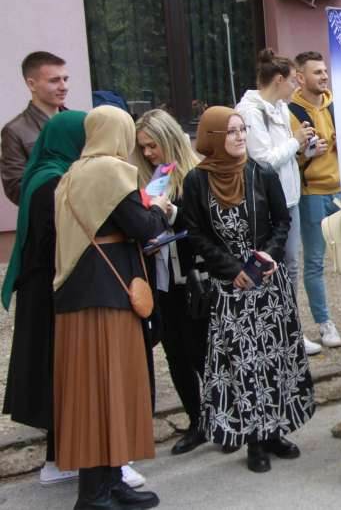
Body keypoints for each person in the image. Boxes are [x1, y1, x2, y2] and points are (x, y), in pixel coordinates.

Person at [182, 107, 315, 473]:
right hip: (231, 288)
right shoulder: (196, 181)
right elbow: (195, 233)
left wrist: (266, 257)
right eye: (231, 132)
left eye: (242, 130)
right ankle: (254, 441)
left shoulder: (261, 172)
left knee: (274, 361)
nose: (240, 137)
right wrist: (231, 269)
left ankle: (274, 432)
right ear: (212, 138)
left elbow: (281, 220)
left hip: (269, 284)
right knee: (243, 366)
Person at [53, 106, 170, 508]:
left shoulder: (71, 174)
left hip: (82, 295)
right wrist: (161, 208)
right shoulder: (110, 171)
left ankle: (107, 481)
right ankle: (96, 493)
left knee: (96, 392)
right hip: (108, 298)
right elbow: (143, 227)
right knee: (110, 388)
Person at [2, 112, 86, 487]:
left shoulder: (47, 174)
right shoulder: (52, 182)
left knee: (58, 373)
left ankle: (59, 456)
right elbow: (60, 243)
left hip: (44, 290)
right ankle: (63, 458)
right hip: (51, 294)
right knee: (60, 372)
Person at [237, 49, 324, 358]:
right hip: (268, 207)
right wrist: (295, 141)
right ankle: (272, 332)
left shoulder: (278, 108)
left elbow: (286, 157)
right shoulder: (250, 111)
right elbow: (263, 162)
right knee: (270, 268)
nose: (295, 88)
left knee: (290, 267)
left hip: (289, 199)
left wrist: (308, 148)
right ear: (278, 80)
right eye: (292, 82)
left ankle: (290, 332)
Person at [132, 109, 207, 456]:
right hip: (161, 281)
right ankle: (198, 421)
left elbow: (206, 229)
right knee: (175, 354)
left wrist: (171, 217)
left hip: (194, 278)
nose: (148, 153)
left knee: (203, 352)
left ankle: (223, 417)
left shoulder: (196, 173)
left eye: (152, 146)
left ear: (169, 139)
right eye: (142, 148)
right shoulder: (147, 177)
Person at [289, 50, 341, 353]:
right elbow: (285, 160)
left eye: (325, 71)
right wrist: (306, 152)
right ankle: (324, 323)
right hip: (311, 194)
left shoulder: (338, 103)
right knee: (313, 262)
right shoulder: (291, 112)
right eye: (317, 72)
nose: (323, 77)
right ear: (300, 77)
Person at [2, 51, 69, 204]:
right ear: (31, 84)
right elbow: (15, 189)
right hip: (48, 220)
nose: (63, 86)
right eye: (54, 80)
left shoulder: (80, 122)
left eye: (65, 79)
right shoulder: (14, 130)